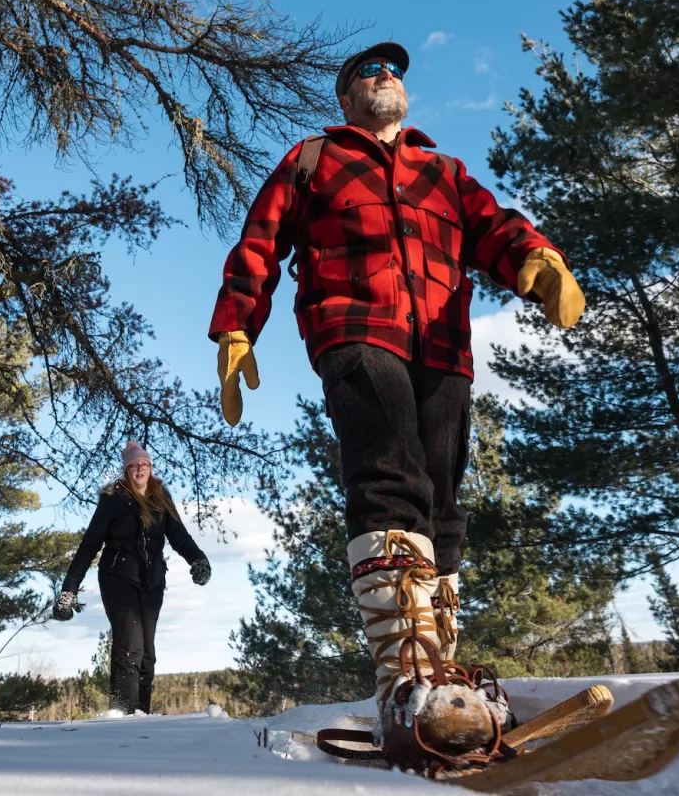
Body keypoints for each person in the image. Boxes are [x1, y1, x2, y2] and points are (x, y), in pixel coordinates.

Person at [207, 41, 583, 761]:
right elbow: (259, 244)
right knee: (390, 470)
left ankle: (441, 676)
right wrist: (235, 327)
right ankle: (403, 677)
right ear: (346, 98)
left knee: (440, 498)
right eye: (370, 71)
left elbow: (494, 228)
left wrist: (536, 258)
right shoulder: (313, 159)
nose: (387, 76)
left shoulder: (443, 170)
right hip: (354, 328)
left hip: (443, 346)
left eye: (395, 71)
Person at [50, 440, 210, 715]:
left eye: (144, 465)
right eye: (134, 465)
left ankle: (141, 716)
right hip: (118, 577)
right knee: (130, 645)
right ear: (127, 470)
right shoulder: (113, 499)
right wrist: (69, 590)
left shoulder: (161, 497)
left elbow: (179, 535)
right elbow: (90, 544)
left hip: (152, 581)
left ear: (150, 468)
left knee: (147, 653)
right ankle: (122, 716)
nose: (140, 470)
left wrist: (198, 559)